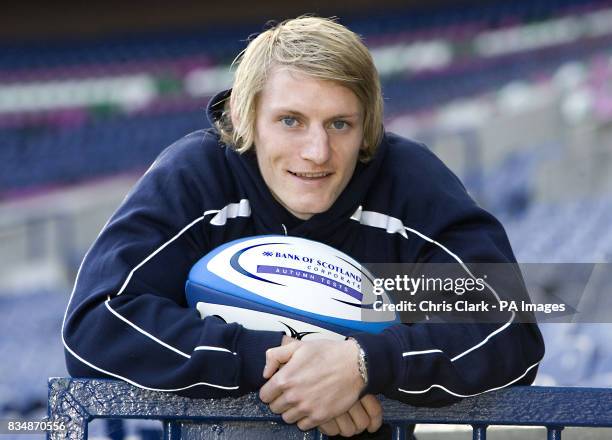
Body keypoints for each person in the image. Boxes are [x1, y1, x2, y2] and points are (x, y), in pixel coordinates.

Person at [62, 16, 545, 438]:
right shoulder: (198, 178)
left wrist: (362, 365)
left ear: (368, 128)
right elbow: (97, 324)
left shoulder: (407, 185)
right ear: (243, 116)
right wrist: (276, 363)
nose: (316, 152)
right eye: (291, 121)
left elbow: (507, 330)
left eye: (340, 125)